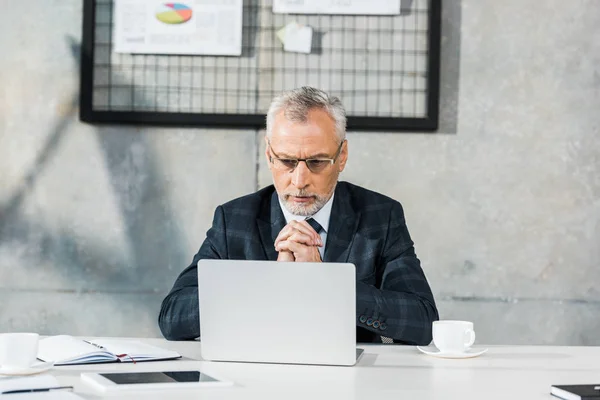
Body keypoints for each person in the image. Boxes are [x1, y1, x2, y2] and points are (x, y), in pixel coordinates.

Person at [158, 86, 438, 344]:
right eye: (287, 161)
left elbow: (424, 322)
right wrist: (267, 283)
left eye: (317, 162)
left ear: (342, 157)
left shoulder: (380, 216)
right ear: (269, 155)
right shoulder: (235, 219)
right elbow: (173, 318)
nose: (300, 180)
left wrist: (327, 282)